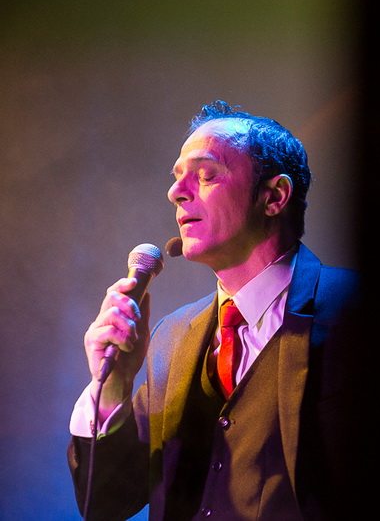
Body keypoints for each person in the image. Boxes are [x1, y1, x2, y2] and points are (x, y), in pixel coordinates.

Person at [68, 101, 361, 520]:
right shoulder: (172, 337)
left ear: (274, 196)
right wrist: (112, 385)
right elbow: (107, 503)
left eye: (205, 174)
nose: (176, 191)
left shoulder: (355, 309)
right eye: (176, 179)